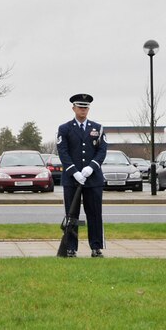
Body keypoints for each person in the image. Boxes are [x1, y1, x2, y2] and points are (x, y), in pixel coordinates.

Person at [56, 94, 108, 257]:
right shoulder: (64, 128)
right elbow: (63, 152)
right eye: (80, 107)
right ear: (74, 108)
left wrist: (92, 167)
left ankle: (96, 247)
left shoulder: (97, 128)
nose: (83, 110)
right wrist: (74, 171)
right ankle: (71, 247)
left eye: (86, 107)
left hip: (93, 179)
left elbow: (102, 150)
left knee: (94, 214)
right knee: (72, 215)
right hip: (72, 179)